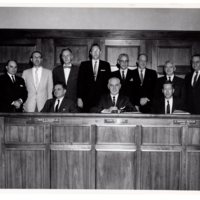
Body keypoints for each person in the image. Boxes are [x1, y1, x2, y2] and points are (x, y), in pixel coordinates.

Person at [77, 43, 111, 112]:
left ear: (100, 52)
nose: (95, 52)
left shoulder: (106, 65)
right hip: (86, 99)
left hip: (102, 99)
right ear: (90, 52)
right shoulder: (84, 65)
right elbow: (80, 82)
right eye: (93, 50)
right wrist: (79, 98)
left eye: (97, 50)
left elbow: (109, 83)